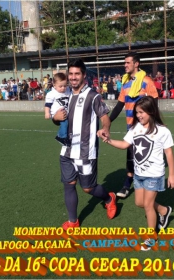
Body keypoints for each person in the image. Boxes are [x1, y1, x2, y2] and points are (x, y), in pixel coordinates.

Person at [100, 96, 174, 250]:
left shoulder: (162, 131)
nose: (139, 115)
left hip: (154, 174)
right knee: (139, 203)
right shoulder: (135, 128)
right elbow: (124, 145)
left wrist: (172, 174)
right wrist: (108, 140)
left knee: (148, 205)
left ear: (151, 111)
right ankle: (163, 210)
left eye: (142, 112)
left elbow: (168, 153)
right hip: (139, 173)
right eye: (137, 113)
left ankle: (151, 237)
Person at [53, 58, 117, 230]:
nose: (73, 77)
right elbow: (57, 116)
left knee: (88, 188)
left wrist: (105, 129)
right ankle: (73, 221)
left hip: (84, 151)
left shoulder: (92, 96)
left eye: (77, 74)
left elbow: (105, 117)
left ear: (83, 75)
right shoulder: (64, 94)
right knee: (69, 184)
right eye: (71, 74)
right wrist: (55, 118)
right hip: (66, 149)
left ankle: (109, 198)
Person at [102, 51, 158, 199]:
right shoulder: (125, 83)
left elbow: (155, 103)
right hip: (131, 128)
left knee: (146, 157)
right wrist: (107, 122)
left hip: (146, 129)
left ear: (136, 64)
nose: (125, 65)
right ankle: (127, 184)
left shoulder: (146, 81)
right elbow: (119, 105)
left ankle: (148, 186)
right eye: (125, 62)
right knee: (130, 157)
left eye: (128, 62)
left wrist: (153, 125)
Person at [45, 73, 71, 146]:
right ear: (54, 85)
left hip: (66, 112)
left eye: (65, 86)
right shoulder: (52, 94)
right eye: (60, 86)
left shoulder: (68, 90)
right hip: (57, 112)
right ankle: (62, 137)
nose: (63, 88)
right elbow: (47, 104)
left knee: (68, 123)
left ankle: (60, 135)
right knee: (65, 122)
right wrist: (47, 113)